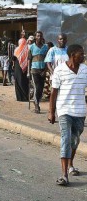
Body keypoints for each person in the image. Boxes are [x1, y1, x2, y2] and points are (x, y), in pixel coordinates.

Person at [47, 44, 87, 186]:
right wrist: (51, 112)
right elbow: (54, 92)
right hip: (64, 110)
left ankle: (71, 164)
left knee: (75, 141)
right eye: (80, 54)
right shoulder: (59, 70)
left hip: (80, 111)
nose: (83, 56)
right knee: (66, 138)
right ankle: (64, 175)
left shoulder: (85, 70)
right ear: (72, 55)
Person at [29, 31, 49, 113]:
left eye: (40, 36)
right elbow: (29, 59)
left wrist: (45, 70)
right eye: (38, 36)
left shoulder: (45, 47)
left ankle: (36, 100)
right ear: (35, 37)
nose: (39, 37)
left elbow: (48, 60)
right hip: (34, 70)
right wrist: (28, 71)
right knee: (37, 87)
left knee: (41, 89)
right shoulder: (32, 47)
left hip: (42, 70)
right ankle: (37, 105)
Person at [13, 32, 30, 102]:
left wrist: (13, 65)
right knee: (24, 82)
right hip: (25, 68)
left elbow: (13, 59)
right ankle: (25, 97)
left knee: (18, 82)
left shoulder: (16, 49)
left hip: (17, 68)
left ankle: (19, 97)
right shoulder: (28, 49)